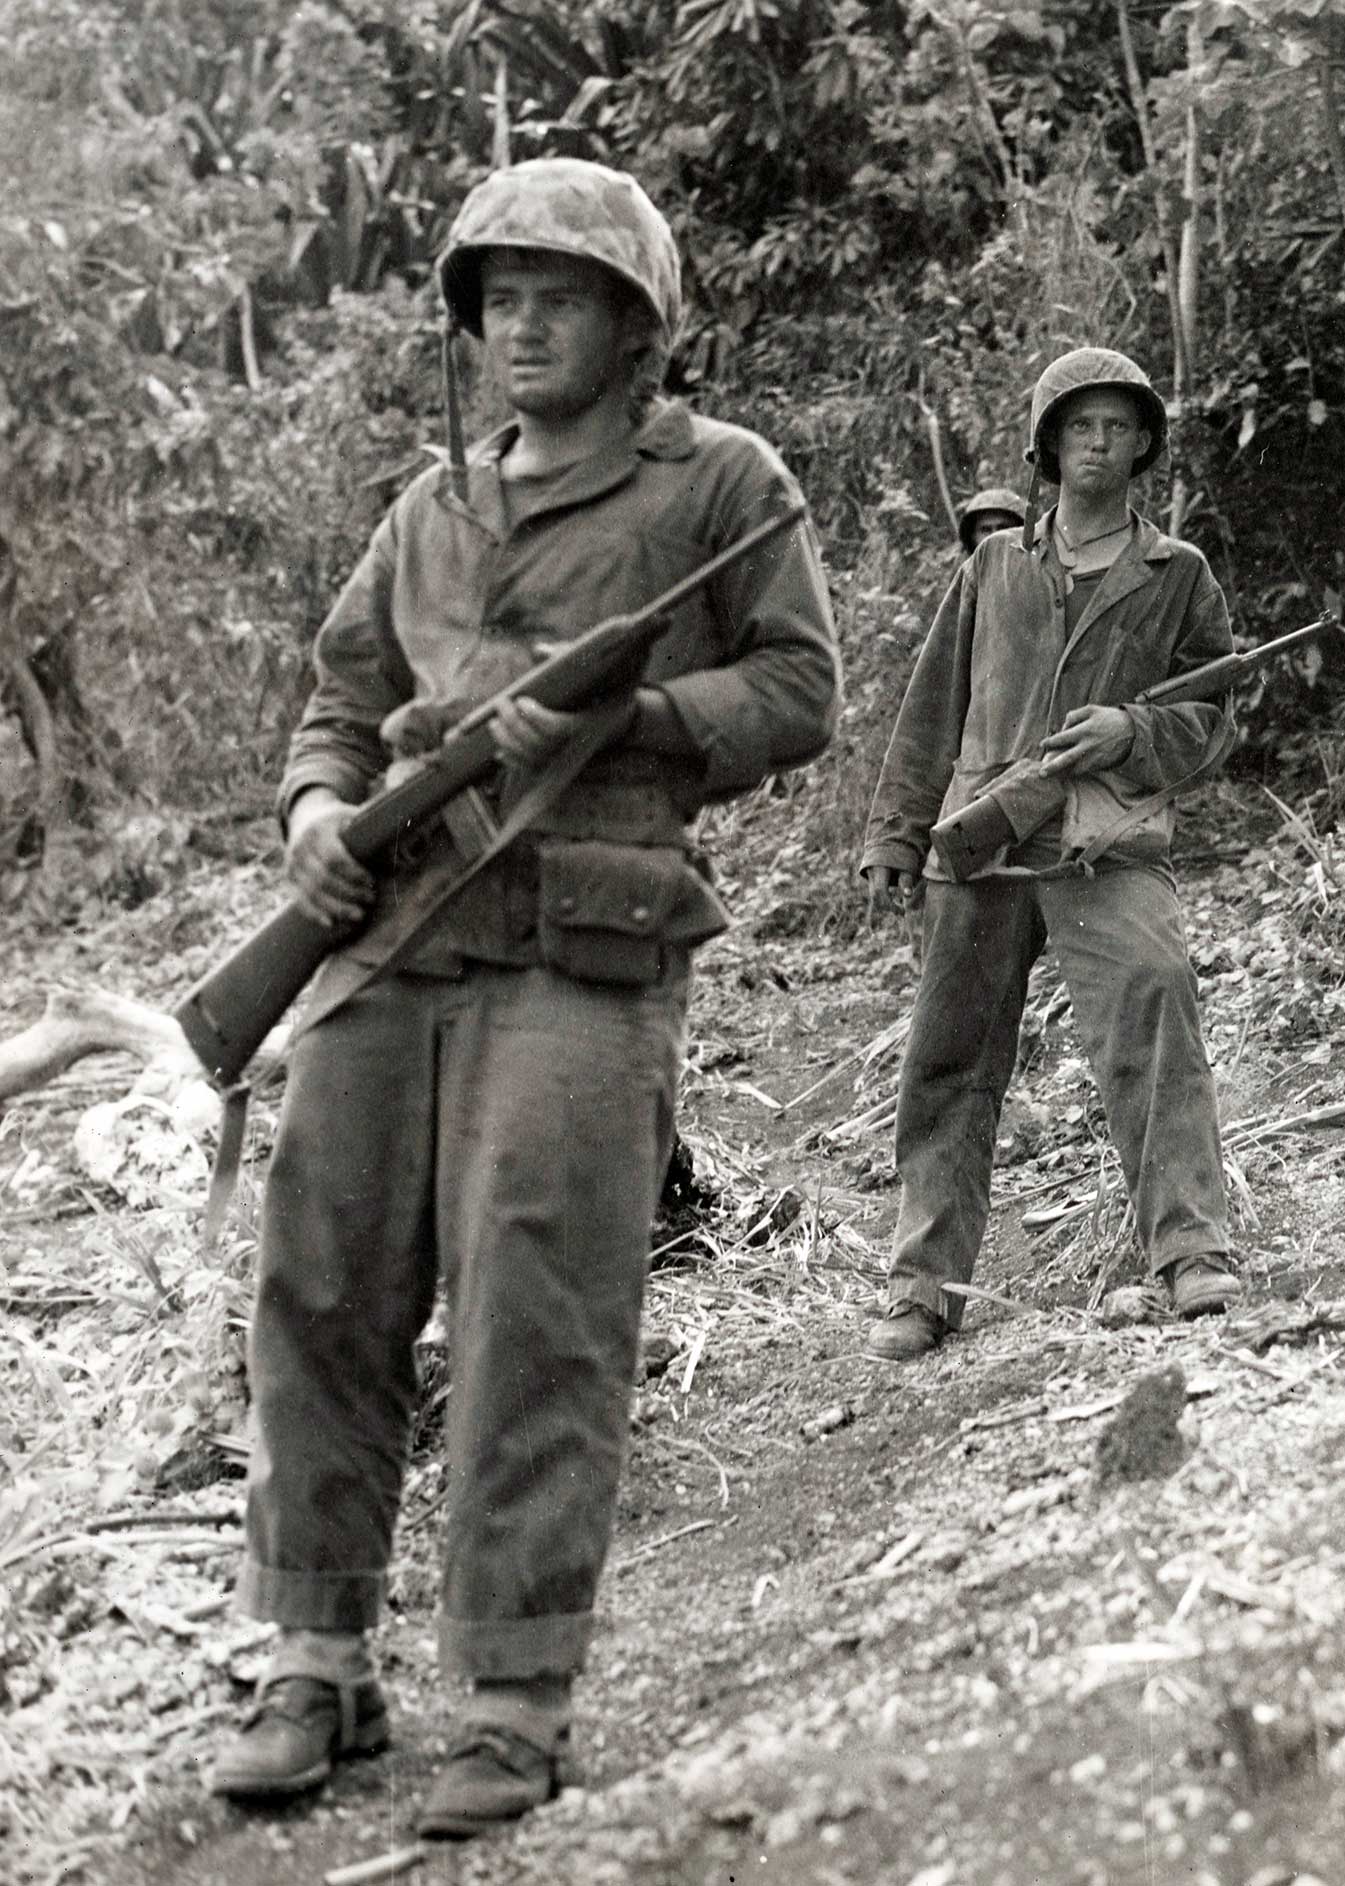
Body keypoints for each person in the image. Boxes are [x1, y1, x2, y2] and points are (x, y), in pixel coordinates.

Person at [208, 157, 838, 1835]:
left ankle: (508, 1691)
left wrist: (621, 727)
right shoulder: (430, 508)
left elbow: (796, 690)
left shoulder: (723, 487)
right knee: (322, 1284)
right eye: (499, 302)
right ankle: (314, 1658)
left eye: (562, 298)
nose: (522, 326)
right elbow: (340, 703)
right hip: (386, 945)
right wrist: (318, 820)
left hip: (579, 945)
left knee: (534, 1310)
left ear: (641, 328)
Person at [859, 346, 1239, 1363]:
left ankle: (1194, 1249)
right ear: (1049, 446)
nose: (1099, 443)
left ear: (1143, 444)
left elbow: (1215, 711)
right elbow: (932, 699)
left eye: (1118, 426)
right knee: (948, 1060)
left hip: (1104, 846)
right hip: (984, 846)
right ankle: (923, 1285)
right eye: (1080, 427)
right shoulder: (993, 565)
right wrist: (897, 833)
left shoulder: (1178, 572)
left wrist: (1135, 733)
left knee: (1157, 1003)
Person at [955, 484, 1025, 556]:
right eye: (986, 530)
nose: (995, 536)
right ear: (973, 537)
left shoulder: (1034, 565)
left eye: (1003, 528)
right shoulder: (965, 567)